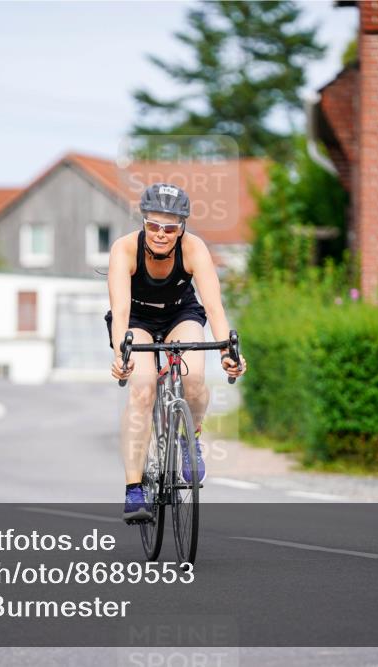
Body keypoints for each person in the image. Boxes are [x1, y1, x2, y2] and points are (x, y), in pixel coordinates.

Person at [106, 183, 247, 522]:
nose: (161, 234)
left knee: (194, 377)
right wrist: (121, 357)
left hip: (179, 312)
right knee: (142, 390)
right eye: (153, 226)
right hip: (137, 318)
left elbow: (214, 307)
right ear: (143, 222)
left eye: (170, 228)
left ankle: (189, 439)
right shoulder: (125, 249)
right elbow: (121, 311)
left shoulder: (194, 248)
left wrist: (229, 350)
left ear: (182, 227)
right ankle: (134, 489)